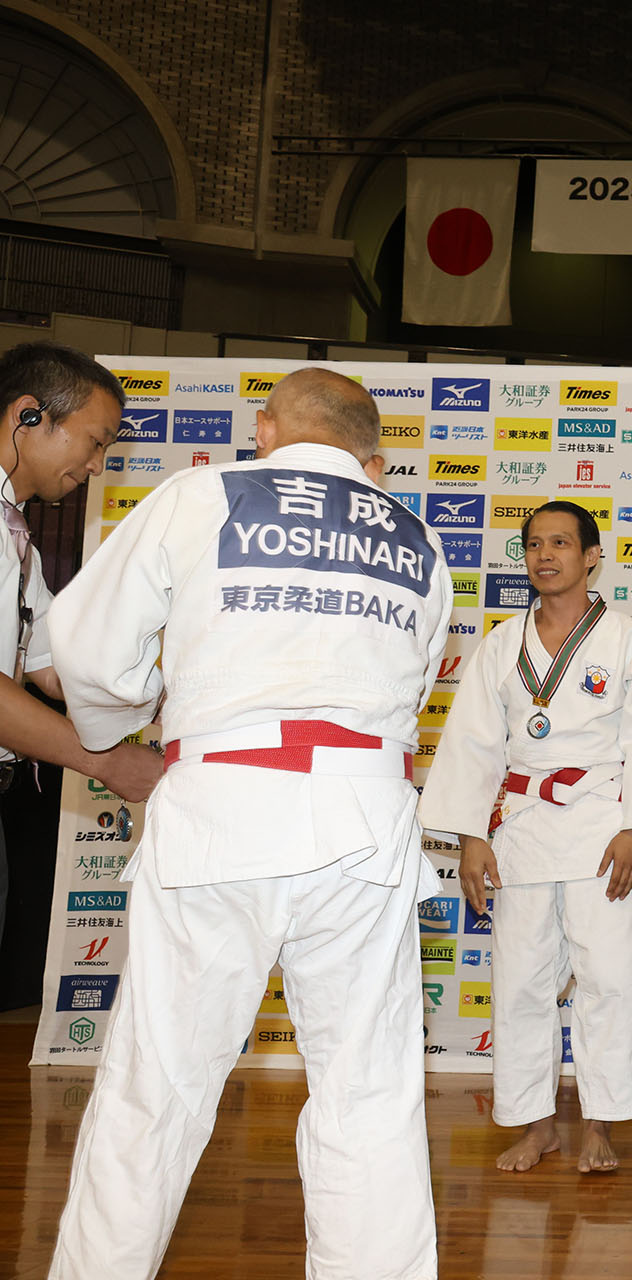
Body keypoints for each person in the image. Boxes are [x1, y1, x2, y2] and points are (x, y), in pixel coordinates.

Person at [46, 367, 451, 1280]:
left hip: (222, 807)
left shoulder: (202, 495)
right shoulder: (416, 535)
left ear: (265, 431)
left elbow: (84, 644)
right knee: (369, 1095)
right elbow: (417, 679)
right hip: (364, 818)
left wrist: (121, 726)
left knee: (156, 1089)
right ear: (372, 457)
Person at [419, 499, 632, 1175]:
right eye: (535, 544)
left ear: (592, 556)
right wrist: (471, 837)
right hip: (523, 826)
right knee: (521, 983)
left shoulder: (630, 640)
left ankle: (599, 1124)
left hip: (602, 825)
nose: (545, 555)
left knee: (610, 980)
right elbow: (474, 744)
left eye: (561, 543)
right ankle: (536, 1125)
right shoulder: (501, 645)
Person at [0, 344, 163, 943]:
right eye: (96, 442)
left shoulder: (15, 536)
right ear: (29, 415)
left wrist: (177, 702)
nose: (97, 466)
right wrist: (106, 762)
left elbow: (54, 666)